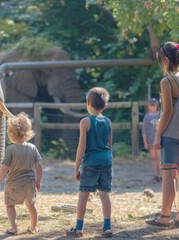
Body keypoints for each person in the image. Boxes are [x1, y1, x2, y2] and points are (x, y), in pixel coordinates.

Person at [145, 41, 179, 228]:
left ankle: (164, 218)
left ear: (165, 59)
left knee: (168, 175)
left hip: (171, 134)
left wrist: (157, 135)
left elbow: (167, 112)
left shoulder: (166, 81)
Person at [66, 87, 114, 238]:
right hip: (106, 161)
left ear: (88, 102)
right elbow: (109, 145)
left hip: (91, 163)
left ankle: (79, 228)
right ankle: (107, 227)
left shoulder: (85, 122)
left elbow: (82, 147)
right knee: (104, 194)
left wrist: (76, 167)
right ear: (105, 106)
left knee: (83, 195)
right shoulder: (108, 122)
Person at [0, 112, 43, 235]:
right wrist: (38, 181)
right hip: (30, 183)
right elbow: (39, 167)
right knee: (31, 205)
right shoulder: (32, 148)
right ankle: (33, 227)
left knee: (10, 205)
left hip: (14, 183)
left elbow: (4, 168)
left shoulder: (10, 149)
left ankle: (14, 228)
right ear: (28, 131)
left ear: (11, 133)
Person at [142, 98, 162, 183]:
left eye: (153, 105)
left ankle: (162, 176)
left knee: (160, 159)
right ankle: (156, 175)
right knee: (154, 159)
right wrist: (145, 142)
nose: (152, 107)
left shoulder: (160, 115)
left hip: (160, 141)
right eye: (150, 105)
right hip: (150, 141)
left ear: (157, 105)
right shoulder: (147, 116)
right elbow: (144, 130)